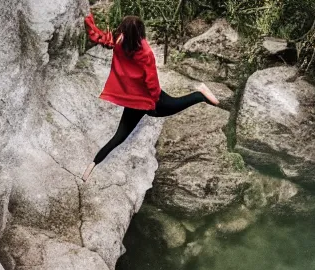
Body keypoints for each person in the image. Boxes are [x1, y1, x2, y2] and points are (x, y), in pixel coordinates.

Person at [82, 12, 220, 182]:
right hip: (148, 99)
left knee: (119, 137)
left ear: (124, 30)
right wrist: (154, 102)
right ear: (141, 31)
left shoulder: (119, 41)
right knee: (176, 105)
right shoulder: (145, 52)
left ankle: (93, 164)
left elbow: (101, 38)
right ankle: (200, 94)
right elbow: (151, 81)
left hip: (135, 101)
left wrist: (89, 21)